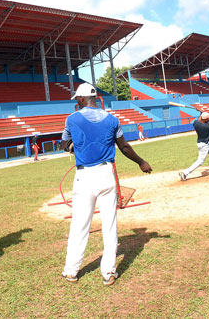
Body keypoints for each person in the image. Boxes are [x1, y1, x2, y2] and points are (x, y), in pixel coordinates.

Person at [61, 83, 152, 286]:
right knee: (109, 225)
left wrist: (76, 147)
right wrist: (141, 162)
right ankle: (109, 272)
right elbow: (124, 147)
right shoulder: (112, 119)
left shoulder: (72, 119)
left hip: (84, 176)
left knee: (79, 225)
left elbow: (64, 144)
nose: (76, 101)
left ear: (83, 99)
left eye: (77, 98)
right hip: (106, 174)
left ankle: (71, 271)